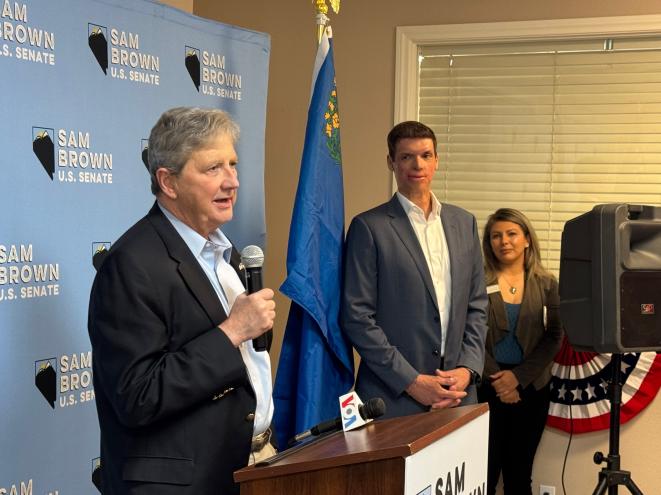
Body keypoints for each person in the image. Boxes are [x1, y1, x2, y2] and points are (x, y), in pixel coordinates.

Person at [88, 107, 276, 494]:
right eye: (213, 169)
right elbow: (137, 396)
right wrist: (231, 332)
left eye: (233, 164)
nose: (233, 181)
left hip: (248, 465)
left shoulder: (229, 255)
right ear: (168, 182)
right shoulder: (131, 264)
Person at [340, 120, 488, 418]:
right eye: (406, 156)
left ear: (436, 161)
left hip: (458, 394)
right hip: (391, 397)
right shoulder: (369, 227)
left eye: (425, 155)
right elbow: (357, 318)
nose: (417, 164)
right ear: (391, 162)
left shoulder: (464, 223)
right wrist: (411, 381)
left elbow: (477, 305)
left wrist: (468, 369)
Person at [478, 208, 563, 495]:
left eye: (511, 234)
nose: (504, 241)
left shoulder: (547, 284)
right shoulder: (477, 283)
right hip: (486, 390)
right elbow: (470, 336)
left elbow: (553, 337)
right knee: (484, 474)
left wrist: (517, 379)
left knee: (519, 476)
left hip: (531, 389)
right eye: (496, 236)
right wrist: (499, 381)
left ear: (527, 239)